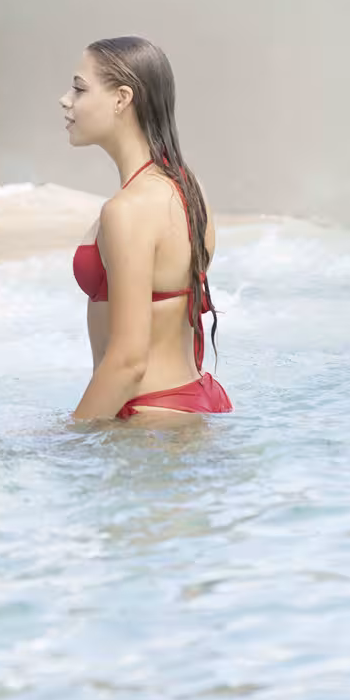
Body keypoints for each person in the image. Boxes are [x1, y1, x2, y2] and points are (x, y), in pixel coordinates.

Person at [59, 37, 231, 421]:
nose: (65, 100)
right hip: (190, 400)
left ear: (122, 98)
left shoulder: (128, 210)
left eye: (79, 88)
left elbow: (128, 362)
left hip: (147, 421)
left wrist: (67, 439)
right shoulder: (187, 186)